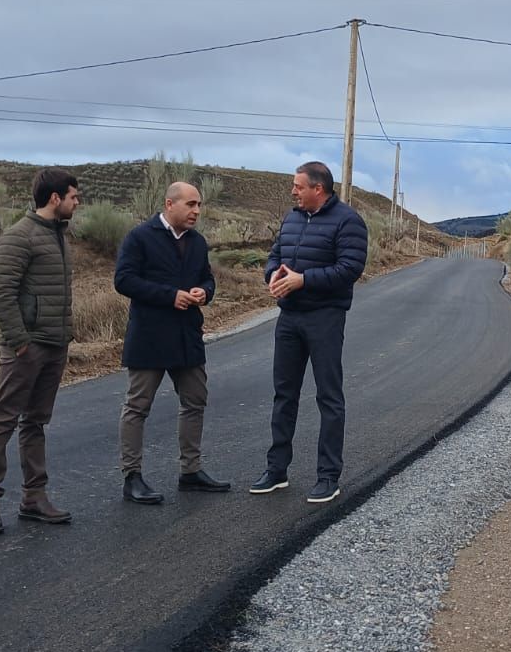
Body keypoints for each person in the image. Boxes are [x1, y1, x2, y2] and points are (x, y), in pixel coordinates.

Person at [249, 160, 368, 504]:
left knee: (328, 397)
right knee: (283, 394)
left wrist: (304, 280)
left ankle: (328, 476)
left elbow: (349, 269)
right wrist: (272, 274)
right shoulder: (292, 218)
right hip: (289, 319)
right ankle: (276, 470)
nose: (293, 191)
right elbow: (275, 256)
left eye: (298, 186)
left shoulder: (348, 221)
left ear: (319, 189)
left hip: (325, 318)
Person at [0, 167, 81, 534]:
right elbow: (0, 296)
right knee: (2, 420)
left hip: (55, 344)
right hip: (26, 348)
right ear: (55, 198)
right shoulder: (18, 237)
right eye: (73, 196)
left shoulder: (59, 236)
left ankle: (34, 498)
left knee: (36, 422)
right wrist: (20, 342)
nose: (76, 202)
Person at [114, 181, 230, 502]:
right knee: (137, 407)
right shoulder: (140, 237)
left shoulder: (197, 242)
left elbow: (207, 278)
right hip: (149, 336)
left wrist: (205, 292)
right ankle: (132, 477)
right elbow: (123, 280)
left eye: (199, 205)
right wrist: (169, 296)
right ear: (169, 204)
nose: (196, 211)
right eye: (190, 204)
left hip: (187, 336)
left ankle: (190, 471)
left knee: (195, 401)